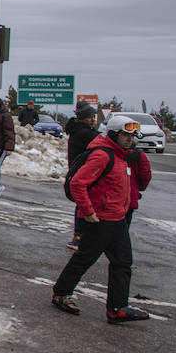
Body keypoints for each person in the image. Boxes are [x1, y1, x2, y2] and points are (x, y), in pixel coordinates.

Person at [50, 115, 150, 324]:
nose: (129, 140)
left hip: (117, 218)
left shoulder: (122, 155)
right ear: (113, 134)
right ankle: (61, 293)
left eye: (131, 136)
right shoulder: (103, 155)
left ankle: (117, 307)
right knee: (85, 258)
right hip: (99, 219)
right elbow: (78, 183)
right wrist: (87, 211)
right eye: (125, 135)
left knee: (123, 262)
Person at [64, 100, 100, 250]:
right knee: (83, 204)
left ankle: (80, 236)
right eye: (90, 117)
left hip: (78, 171)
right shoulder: (84, 133)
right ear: (83, 118)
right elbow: (102, 142)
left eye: (94, 116)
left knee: (82, 204)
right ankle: (79, 237)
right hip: (82, 173)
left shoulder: (78, 130)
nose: (93, 119)